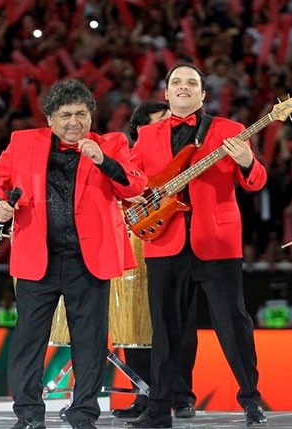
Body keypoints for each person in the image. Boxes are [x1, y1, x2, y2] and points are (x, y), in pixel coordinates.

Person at [0, 79, 147, 429]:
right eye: (66, 115)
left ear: (92, 116)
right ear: (50, 119)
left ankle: (83, 414)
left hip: (89, 260)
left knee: (90, 343)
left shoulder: (111, 144)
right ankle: (28, 415)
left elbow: (135, 185)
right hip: (37, 257)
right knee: (28, 342)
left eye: (81, 114)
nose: (74, 122)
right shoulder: (23, 142)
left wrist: (103, 161)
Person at [127, 63, 267, 427]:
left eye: (191, 82)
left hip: (217, 242)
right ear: (166, 93)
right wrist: (134, 199)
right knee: (165, 330)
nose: (183, 86)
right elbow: (131, 180)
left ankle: (251, 400)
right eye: (177, 82)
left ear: (203, 94)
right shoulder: (147, 135)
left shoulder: (230, 130)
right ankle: (160, 408)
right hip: (165, 242)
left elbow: (255, 182)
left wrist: (247, 161)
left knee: (233, 324)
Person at [112, 102, 198, 420]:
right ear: (140, 130)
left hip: (176, 244)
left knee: (179, 322)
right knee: (133, 320)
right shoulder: (127, 161)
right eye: (161, 121)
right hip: (135, 243)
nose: (169, 126)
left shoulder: (185, 153)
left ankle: (182, 396)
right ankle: (144, 395)